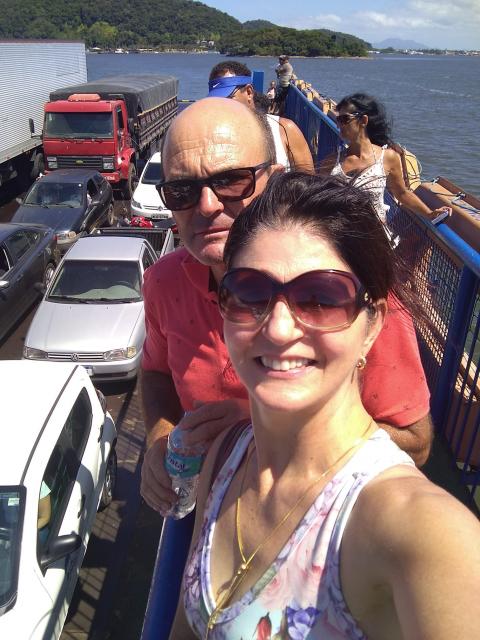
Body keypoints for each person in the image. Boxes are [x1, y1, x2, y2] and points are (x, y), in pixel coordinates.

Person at [168, 172, 480, 639]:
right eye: (250, 292)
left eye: (320, 298)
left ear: (372, 325)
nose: (278, 329)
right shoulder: (224, 458)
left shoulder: (423, 531)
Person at [140, 98, 432, 519]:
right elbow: (155, 371)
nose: (206, 205)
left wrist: (254, 428)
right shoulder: (165, 283)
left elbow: (415, 442)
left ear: (273, 180)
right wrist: (158, 437)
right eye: (182, 191)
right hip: (211, 512)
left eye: (231, 180)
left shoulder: (346, 294)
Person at [320, 93, 451, 226]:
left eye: (344, 119)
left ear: (363, 120)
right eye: (338, 120)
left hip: (375, 234)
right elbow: (318, 196)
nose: (339, 125)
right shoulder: (332, 161)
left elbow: (402, 193)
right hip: (339, 234)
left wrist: (430, 213)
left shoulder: (388, 158)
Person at [207, 61, 313, 172]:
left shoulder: (285, 129)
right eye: (216, 101)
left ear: (249, 92)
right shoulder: (210, 138)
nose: (221, 106)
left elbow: (307, 178)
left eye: (228, 98)